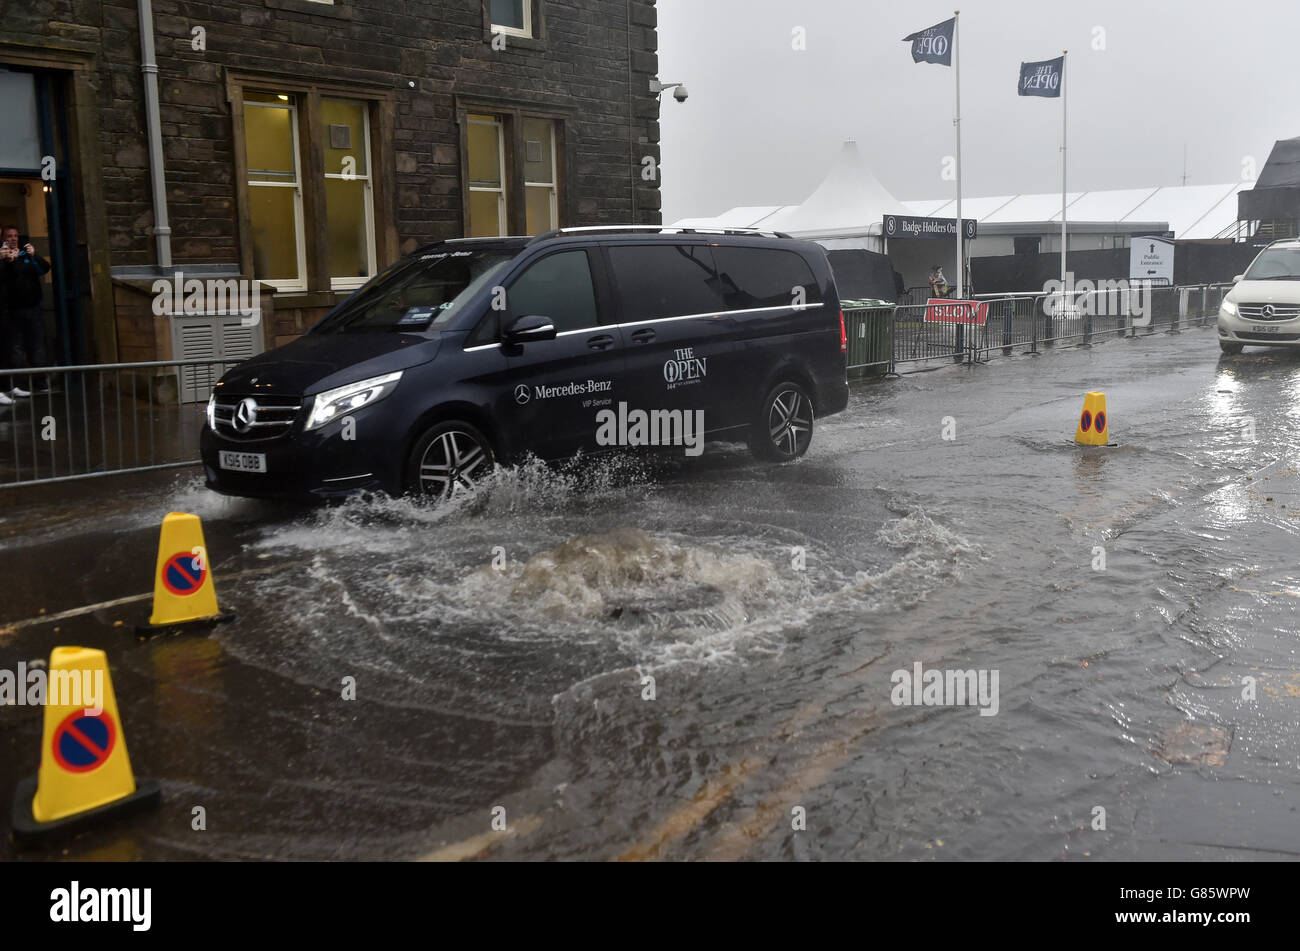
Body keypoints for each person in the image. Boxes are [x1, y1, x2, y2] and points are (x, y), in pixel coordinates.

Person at [0, 225, 51, 403]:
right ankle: (15, 384)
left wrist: (34, 255)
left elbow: (44, 268)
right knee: (15, 350)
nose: (13, 239)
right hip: (12, 311)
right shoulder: (3, 257)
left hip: (32, 309)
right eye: (9, 236)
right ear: (3, 238)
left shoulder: (25, 256)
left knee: (37, 347)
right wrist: (6, 261)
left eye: (15, 236)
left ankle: (40, 382)